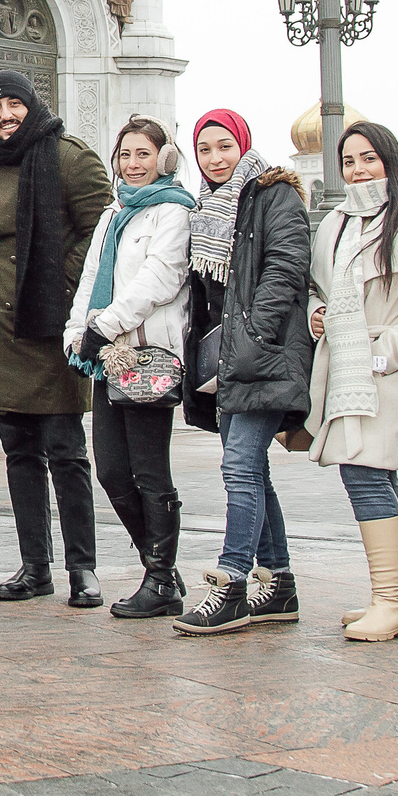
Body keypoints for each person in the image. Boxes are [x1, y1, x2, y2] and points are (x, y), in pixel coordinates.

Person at [0, 69, 114, 607]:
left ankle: (83, 568)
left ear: (32, 106)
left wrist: (60, 277)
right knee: (19, 452)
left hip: (48, 322)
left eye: (14, 105)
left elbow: (103, 228)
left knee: (67, 452)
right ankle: (34, 567)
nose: (5, 116)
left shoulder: (68, 156)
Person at [300, 121, 398, 643]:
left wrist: (389, 352)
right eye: (349, 161)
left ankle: (388, 601)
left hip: (388, 364)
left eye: (369, 159)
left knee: (364, 470)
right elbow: (319, 287)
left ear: (390, 161)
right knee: (376, 473)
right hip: (343, 360)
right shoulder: (336, 223)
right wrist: (317, 313)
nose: (359, 170)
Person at [174, 109, 314, 637]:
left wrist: (255, 335)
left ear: (243, 146)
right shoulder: (207, 207)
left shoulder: (273, 195)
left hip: (266, 354)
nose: (214, 159)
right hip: (231, 362)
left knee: (239, 467)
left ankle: (231, 582)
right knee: (252, 470)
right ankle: (278, 583)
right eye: (204, 149)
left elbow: (286, 267)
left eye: (223, 147)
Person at [64, 118, 197, 621]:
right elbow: (92, 277)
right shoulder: (114, 214)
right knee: (112, 471)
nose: (133, 164)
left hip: (145, 354)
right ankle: (160, 567)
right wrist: (77, 334)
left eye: (144, 154)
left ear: (163, 158)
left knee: (149, 469)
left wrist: (106, 326)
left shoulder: (174, 211)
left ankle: (160, 578)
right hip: (105, 355)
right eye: (125, 155)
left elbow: (160, 279)